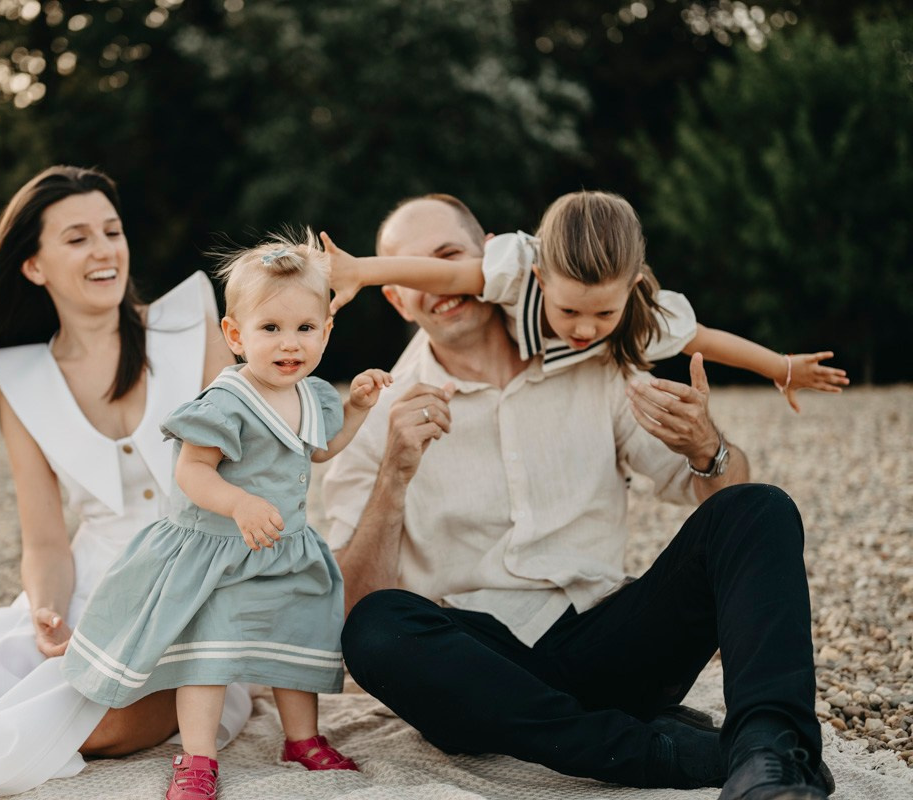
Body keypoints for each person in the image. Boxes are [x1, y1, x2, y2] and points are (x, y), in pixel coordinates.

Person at [321, 193, 836, 799]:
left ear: (486, 255)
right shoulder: (370, 413)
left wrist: (707, 447)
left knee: (760, 507)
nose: (436, 282)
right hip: (479, 669)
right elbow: (353, 604)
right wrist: (394, 476)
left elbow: (723, 501)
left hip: (610, 641)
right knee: (378, 628)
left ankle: (770, 756)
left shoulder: (601, 357)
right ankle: (660, 752)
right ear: (395, 294)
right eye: (410, 269)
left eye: (447, 256)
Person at [0, 166, 252, 800]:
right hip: (95, 593)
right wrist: (46, 612)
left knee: (92, 725)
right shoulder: (21, 382)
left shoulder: (191, 326)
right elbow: (46, 540)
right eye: (77, 238)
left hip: (201, 596)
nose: (104, 250)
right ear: (35, 266)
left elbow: (251, 469)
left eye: (112, 231)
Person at [61, 231, 388, 800]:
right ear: (235, 336)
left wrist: (357, 409)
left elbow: (321, 449)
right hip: (220, 549)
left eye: (305, 329)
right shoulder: (226, 402)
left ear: (327, 331)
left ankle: (302, 738)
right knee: (208, 659)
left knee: (296, 642)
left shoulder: (314, 396)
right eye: (270, 329)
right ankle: (198, 756)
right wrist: (239, 502)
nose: (290, 344)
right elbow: (191, 472)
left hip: (284, 548)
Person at [323, 190, 848, 411]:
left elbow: (705, 339)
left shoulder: (639, 316)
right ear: (541, 280)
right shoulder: (515, 273)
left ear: (632, 290)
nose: (585, 328)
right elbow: (443, 273)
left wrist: (780, 367)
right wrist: (361, 272)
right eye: (569, 311)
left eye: (604, 313)